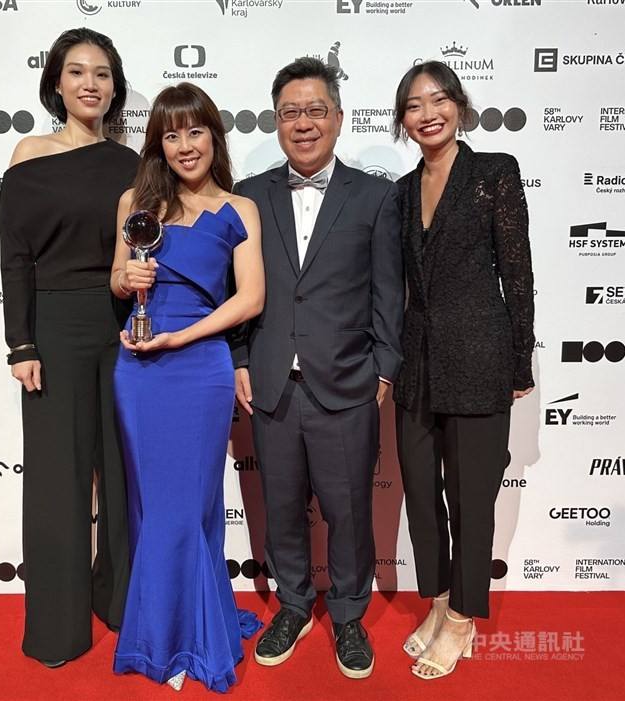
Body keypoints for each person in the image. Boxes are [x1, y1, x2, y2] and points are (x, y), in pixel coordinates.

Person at [230, 57, 404, 679]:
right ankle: (294, 604)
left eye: (314, 111)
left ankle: (351, 617)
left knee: (349, 508)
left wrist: (384, 369)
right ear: (276, 121)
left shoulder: (377, 196)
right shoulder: (249, 196)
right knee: (280, 505)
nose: (302, 123)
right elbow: (238, 290)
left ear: (337, 117)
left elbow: (390, 292)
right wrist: (242, 359)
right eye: (290, 113)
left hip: (348, 381)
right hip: (274, 382)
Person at [110, 82, 265, 693]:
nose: (184, 145)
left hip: (200, 365)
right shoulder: (135, 202)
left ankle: (189, 635)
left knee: (192, 503)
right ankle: (169, 632)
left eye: (194, 131)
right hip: (138, 370)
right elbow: (118, 283)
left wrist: (182, 337)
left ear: (213, 136)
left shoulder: (239, 209)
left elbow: (251, 298)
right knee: (155, 506)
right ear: (158, 143)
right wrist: (129, 277)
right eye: (170, 134)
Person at [0, 28, 138, 668]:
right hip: (51, 329)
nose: (91, 84)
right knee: (57, 481)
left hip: (120, 329)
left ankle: (124, 606)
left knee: (123, 475)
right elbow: (16, 258)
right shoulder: (30, 154)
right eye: (78, 72)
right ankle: (56, 629)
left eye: (103, 73)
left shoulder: (133, 164)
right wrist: (20, 341)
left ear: (115, 86)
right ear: (56, 81)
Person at [391, 61, 535, 680]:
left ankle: (461, 620)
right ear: (402, 119)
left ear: (459, 105)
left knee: (472, 500)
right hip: (417, 361)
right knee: (422, 497)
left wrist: (519, 358)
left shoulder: (493, 172)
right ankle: (440, 600)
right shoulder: (400, 190)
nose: (429, 113)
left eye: (439, 99)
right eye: (415, 104)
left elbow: (518, 273)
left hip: (480, 355)